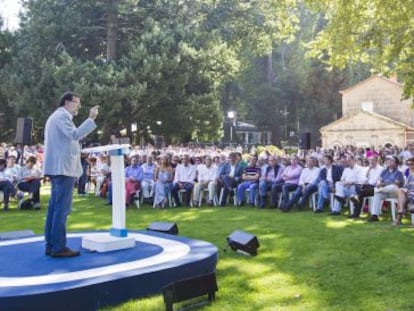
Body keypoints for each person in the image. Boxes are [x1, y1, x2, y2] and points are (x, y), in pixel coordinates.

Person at [43, 92, 99, 258]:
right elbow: (75, 135)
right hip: (63, 169)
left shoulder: (58, 117)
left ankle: (51, 244)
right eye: (77, 103)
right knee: (61, 209)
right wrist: (91, 119)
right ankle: (58, 247)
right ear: (67, 102)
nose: (79, 107)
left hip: (59, 168)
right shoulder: (61, 117)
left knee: (55, 208)